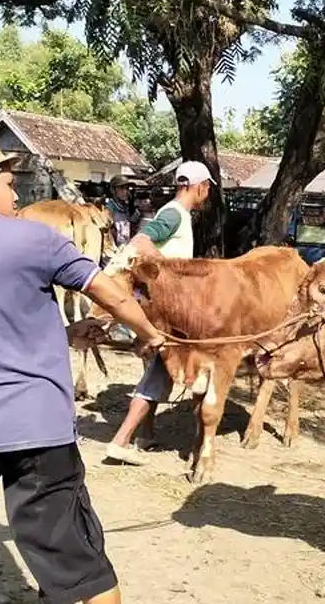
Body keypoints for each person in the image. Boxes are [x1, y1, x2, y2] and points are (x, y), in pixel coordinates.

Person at [0, 134, 168, 604]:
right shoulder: (33, 237)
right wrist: (150, 335)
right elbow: (110, 293)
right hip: (38, 429)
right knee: (81, 567)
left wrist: (63, 336)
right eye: (9, 184)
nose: (18, 195)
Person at [104, 160, 215, 466]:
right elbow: (140, 241)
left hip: (165, 310)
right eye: (206, 187)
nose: (206, 193)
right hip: (166, 313)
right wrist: (166, 273)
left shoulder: (177, 214)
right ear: (198, 186)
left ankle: (145, 434)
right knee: (159, 375)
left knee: (159, 370)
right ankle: (121, 440)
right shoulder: (173, 214)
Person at [104, 174, 142, 248]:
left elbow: (134, 221)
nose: (125, 191)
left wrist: (132, 206)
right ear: (113, 190)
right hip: (113, 248)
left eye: (127, 188)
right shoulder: (109, 208)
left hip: (125, 246)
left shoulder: (126, 207)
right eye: (121, 188)